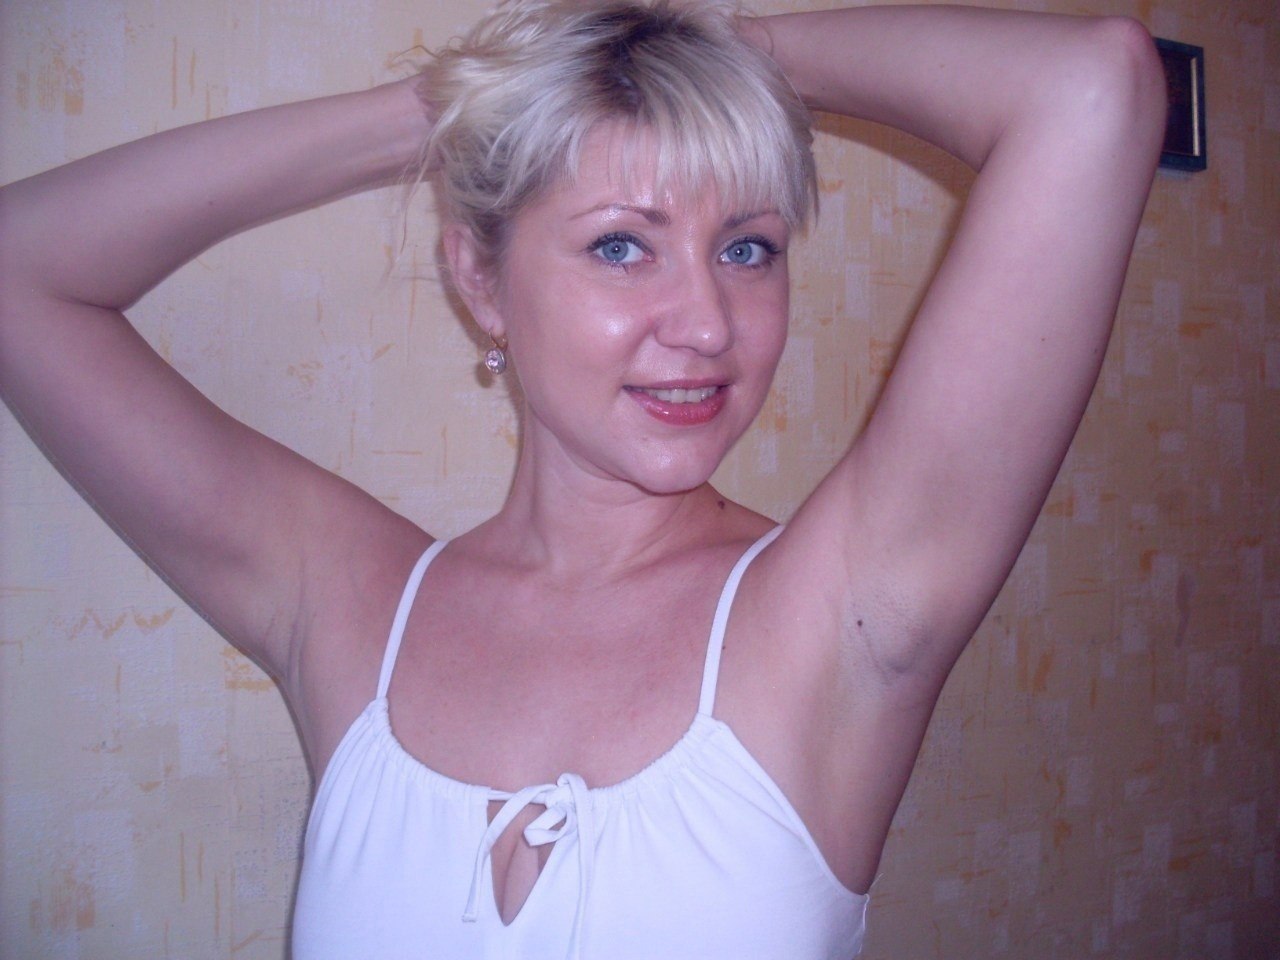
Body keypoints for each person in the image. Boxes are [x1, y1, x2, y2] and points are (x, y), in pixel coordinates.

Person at [0, 0, 1166, 956]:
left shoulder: (840, 618)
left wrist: (700, 42)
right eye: (621, 244)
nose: (706, 324)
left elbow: (1092, 86)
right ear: (481, 281)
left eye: (746, 249)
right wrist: (456, 109)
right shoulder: (352, 606)